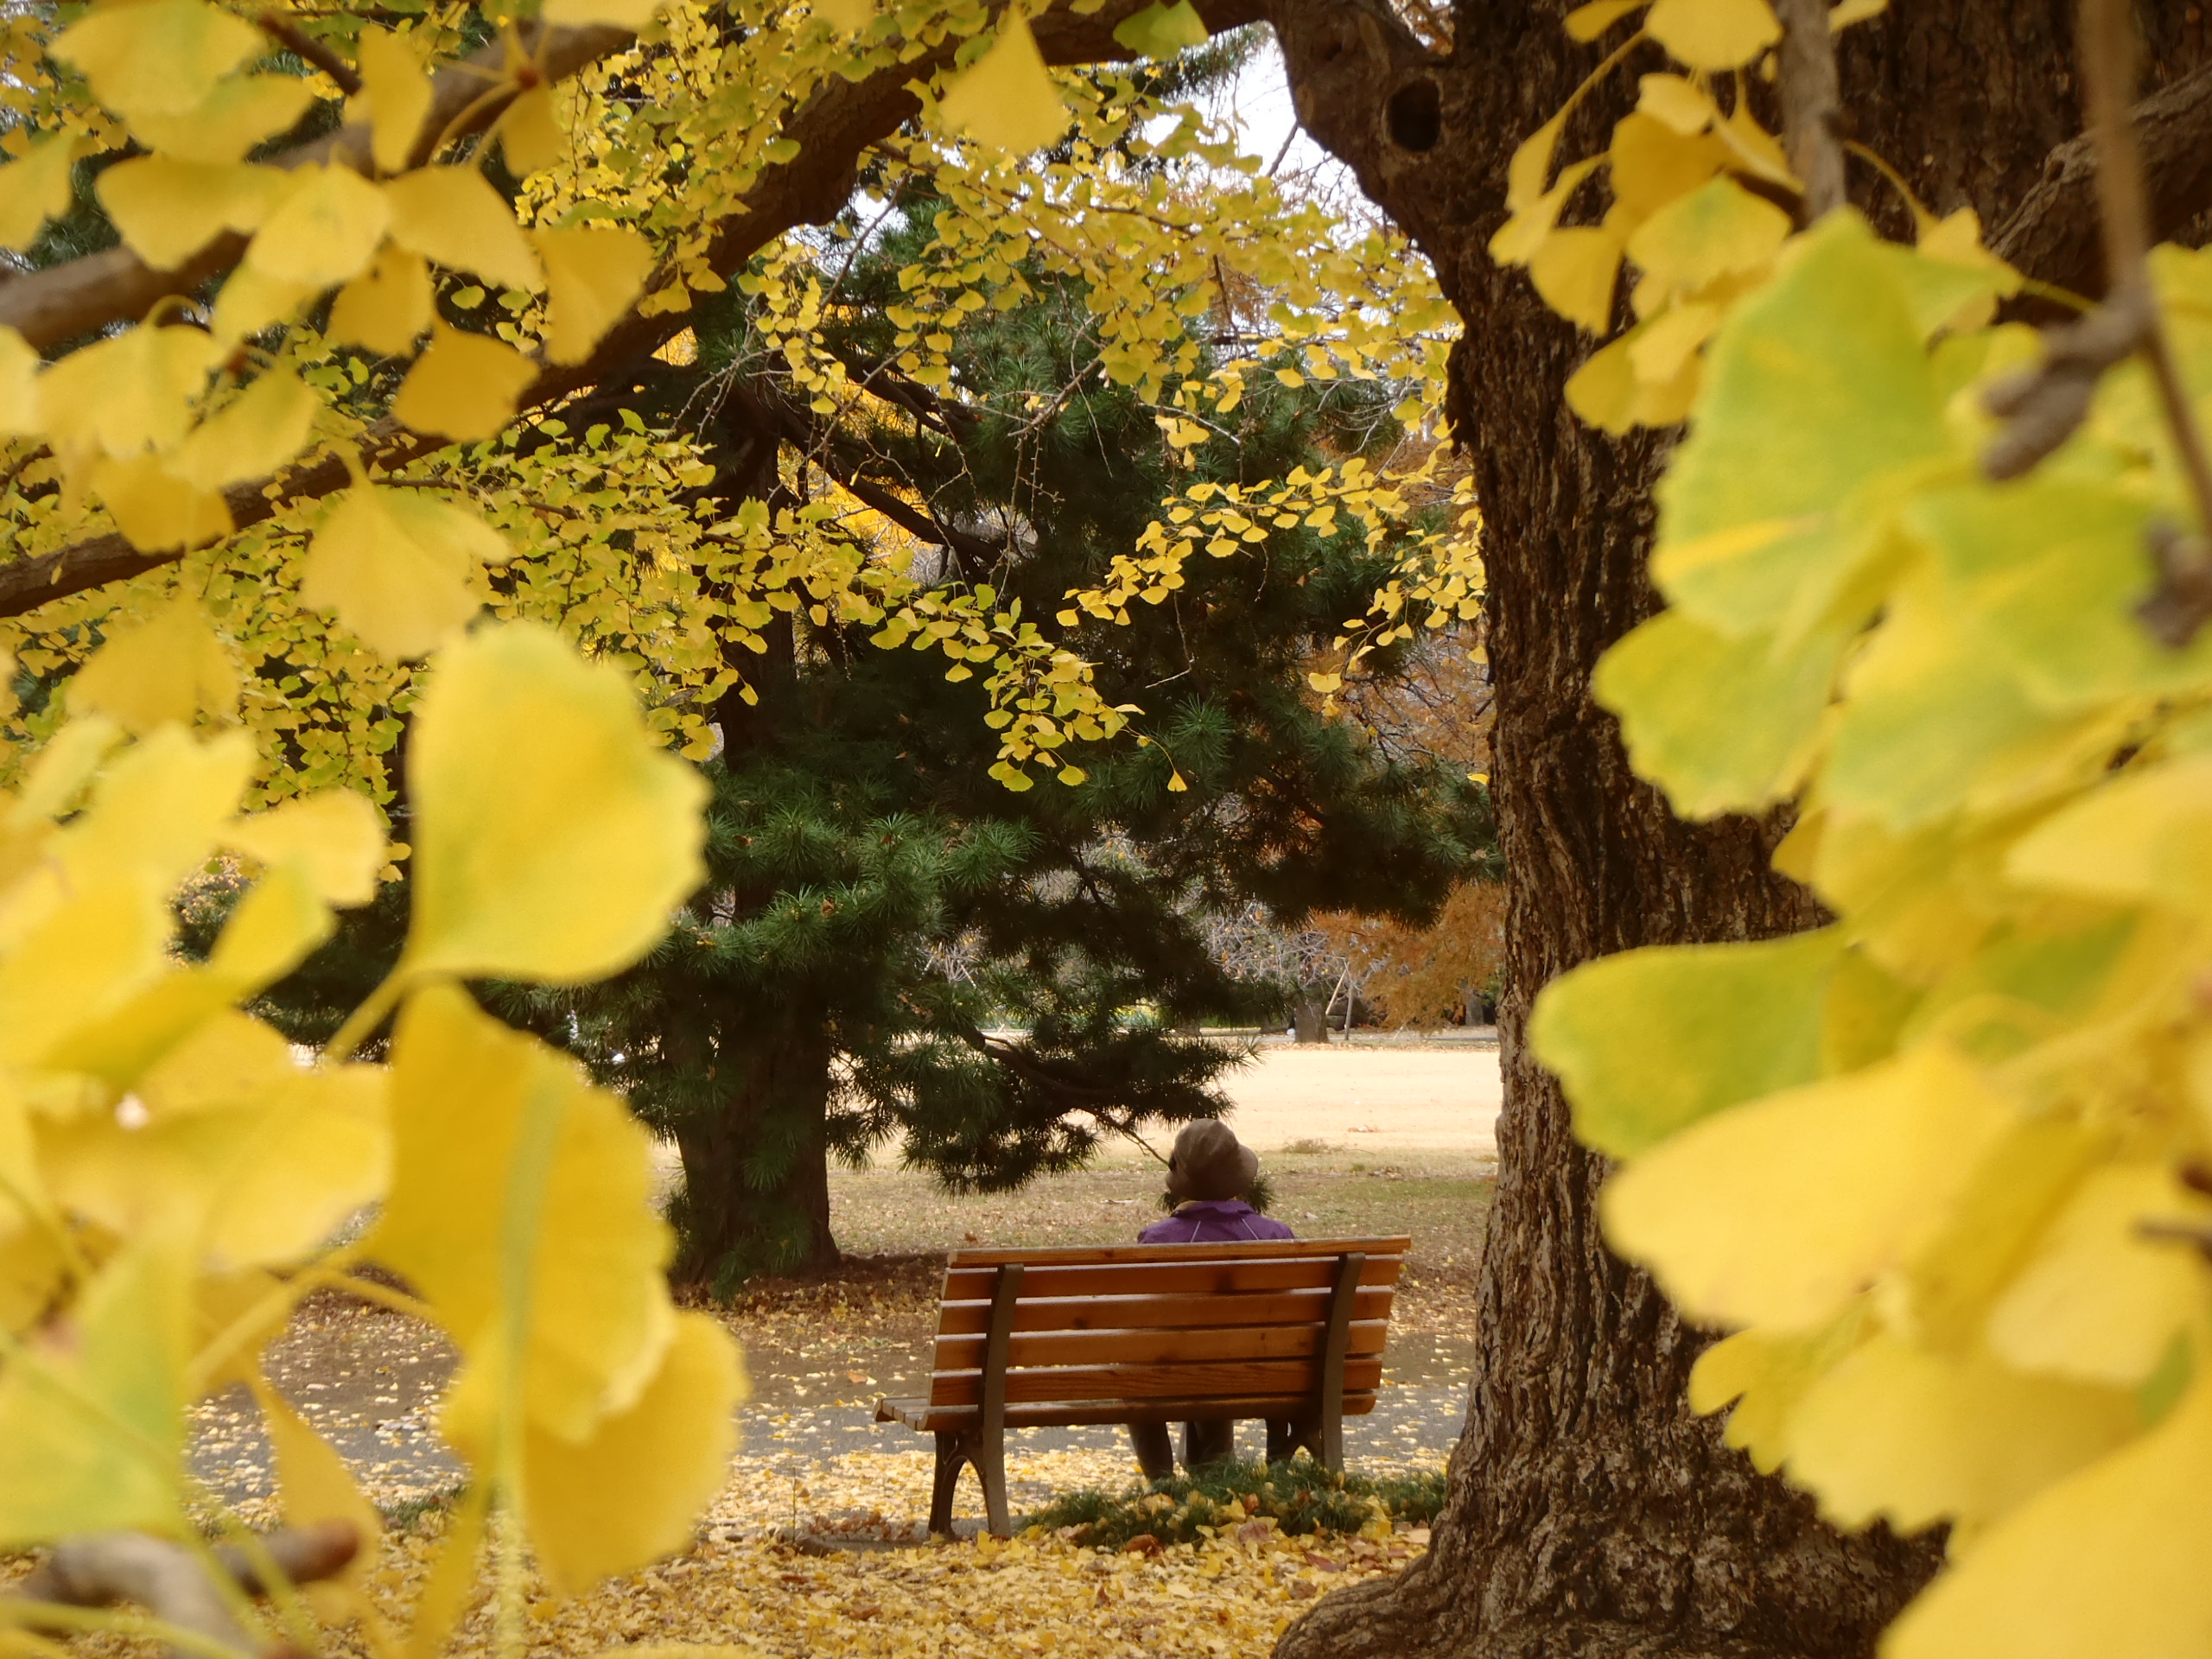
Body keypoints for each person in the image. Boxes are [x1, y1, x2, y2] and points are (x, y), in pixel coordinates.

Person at [1128, 1120, 1298, 1478]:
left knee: (1154, 1370)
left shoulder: (1158, 1242)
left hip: (1179, 1375)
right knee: (1217, 1355)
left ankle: (1162, 1483)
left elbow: (1146, 1322)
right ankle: (1213, 1472)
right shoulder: (1276, 1237)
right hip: (1269, 1376)